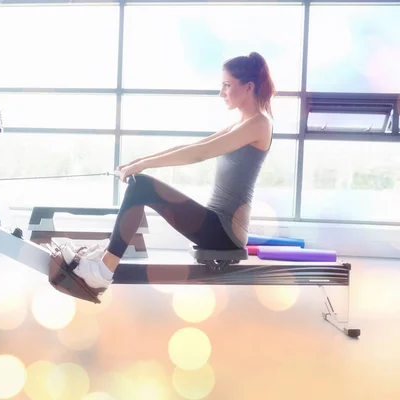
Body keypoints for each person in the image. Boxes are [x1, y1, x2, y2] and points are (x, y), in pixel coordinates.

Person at [63, 51, 276, 293]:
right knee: (140, 182)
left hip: (224, 232)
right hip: (214, 221)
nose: (221, 92)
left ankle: (103, 270)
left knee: (142, 185)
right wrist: (141, 160)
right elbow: (193, 146)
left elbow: (200, 154)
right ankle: (102, 258)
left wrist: (143, 166)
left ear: (249, 87)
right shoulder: (242, 124)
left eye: (227, 85)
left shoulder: (259, 124)